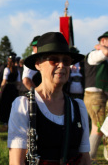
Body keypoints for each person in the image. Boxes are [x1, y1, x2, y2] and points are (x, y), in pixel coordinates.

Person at [8, 32, 91, 165]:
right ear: (38, 64)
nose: (61, 65)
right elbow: (16, 161)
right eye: (54, 60)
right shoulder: (23, 105)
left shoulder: (78, 107)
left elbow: (85, 159)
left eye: (66, 61)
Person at [83, 31, 108, 162]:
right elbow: (105, 53)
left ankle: (89, 157)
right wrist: (101, 47)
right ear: (103, 41)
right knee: (99, 127)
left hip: (100, 96)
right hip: (94, 96)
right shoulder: (94, 55)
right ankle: (89, 157)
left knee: (99, 127)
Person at [0, 55, 20, 124]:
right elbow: (18, 83)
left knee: (6, 105)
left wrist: (0, 91)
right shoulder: (17, 70)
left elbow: (4, 81)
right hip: (14, 89)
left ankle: (5, 121)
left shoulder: (6, 69)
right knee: (13, 105)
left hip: (7, 89)